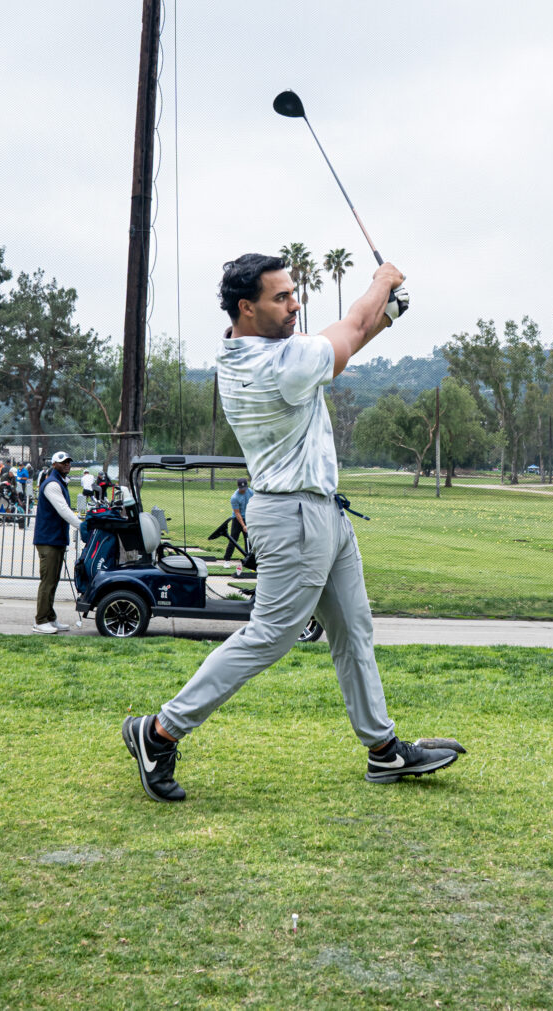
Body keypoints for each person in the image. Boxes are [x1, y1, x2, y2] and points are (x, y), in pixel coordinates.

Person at [122, 253, 462, 802]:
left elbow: (341, 350)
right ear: (246, 307)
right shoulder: (275, 365)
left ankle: (383, 750)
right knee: (270, 635)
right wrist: (381, 284)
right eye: (281, 297)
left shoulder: (248, 352)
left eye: (293, 293)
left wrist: (386, 315)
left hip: (322, 511)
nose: (294, 304)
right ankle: (159, 732)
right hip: (293, 517)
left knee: (353, 630)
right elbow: (347, 330)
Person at [32, 451, 82, 635]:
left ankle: (50, 618)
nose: (67, 464)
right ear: (54, 465)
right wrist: (81, 526)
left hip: (56, 539)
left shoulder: (60, 482)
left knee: (53, 580)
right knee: (48, 581)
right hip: (48, 540)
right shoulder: (52, 484)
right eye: (62, 462)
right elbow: (63, 509)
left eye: (68, 461)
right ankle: (41, 620)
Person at [223, 477, 253, 567]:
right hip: (237, 519)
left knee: (249, 539)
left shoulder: (251, 492)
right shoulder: (234, 497)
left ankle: (249, 561)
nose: (243, 490)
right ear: (238, 487)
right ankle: (227, 560)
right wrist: (243, 525)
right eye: (241, 489)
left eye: (245, 488)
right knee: (233, 539)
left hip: (248, 517)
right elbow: (237, 513)